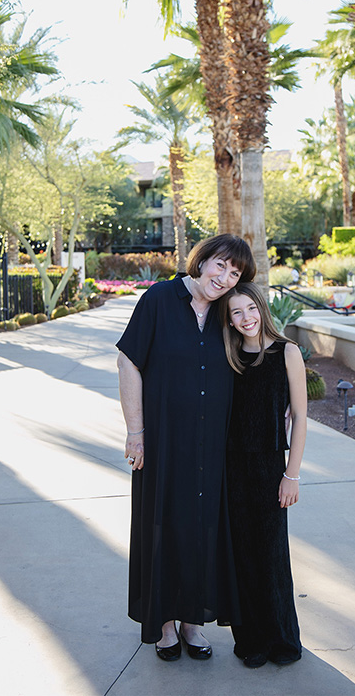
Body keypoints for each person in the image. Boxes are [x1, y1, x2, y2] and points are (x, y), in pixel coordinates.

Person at [116, 234, 255, 660]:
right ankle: (163, 625)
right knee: (162, 526)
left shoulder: (225, 314)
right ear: (203, 260)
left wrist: (288, 403)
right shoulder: (159, 299)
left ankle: (193, 623)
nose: (224, 278)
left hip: (213, 445)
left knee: (203, 530)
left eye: (234, 274)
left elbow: (258, 349)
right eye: (220, 266)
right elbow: (128, 361)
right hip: (162, 441)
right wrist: (136, 431)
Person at [221, 282, 305, 668]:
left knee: (272, 555)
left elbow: (301, 418)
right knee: (243, 556)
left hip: (271, 465)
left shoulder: (287, 352)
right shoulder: (230, 355)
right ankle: (251, 640)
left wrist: (292, 475)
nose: (245, 318)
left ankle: (283, 639)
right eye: (236, 313)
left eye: (250, 309)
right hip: (231, 467)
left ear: (261, 307)